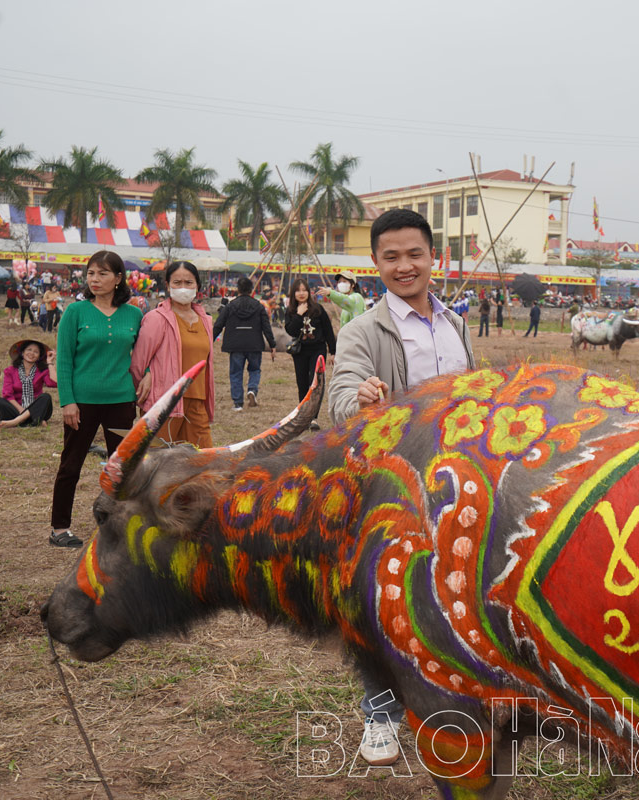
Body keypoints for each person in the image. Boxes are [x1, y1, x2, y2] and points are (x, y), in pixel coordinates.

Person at [329, 208, 475, 766]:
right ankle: (382, 714)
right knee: (386, 601)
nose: (404, 265)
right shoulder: (362, 330)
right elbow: (343, 392)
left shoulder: (455, 324)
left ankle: (453, 702)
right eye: (390, 256)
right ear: (375, 263)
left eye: (414, 253)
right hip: (395, 488)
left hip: (458, 484)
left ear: (432, 257)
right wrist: (359, 401)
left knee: (452, 598)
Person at [50, 251, 142, 548]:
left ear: (118, 279)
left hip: (121, 401)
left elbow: (143, 355)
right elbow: (64, 361)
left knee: (123, 468)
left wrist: (150, 372)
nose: (95, 279)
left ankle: (121, 525)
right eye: (91, 273)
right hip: (82, 402)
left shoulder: (135, 314)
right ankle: (59, 528)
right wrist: (67, 401)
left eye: (103, 273)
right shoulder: (75, 312)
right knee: (70, 465)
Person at [130, 261, 216, 448]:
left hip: (197, 401)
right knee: (157, 460)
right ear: (168, 286)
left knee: (202, 461)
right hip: (164, 403)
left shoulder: (206, 321)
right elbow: (138, 363)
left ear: (197, 287)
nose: (183, 288)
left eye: (188, 282)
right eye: (177, 283)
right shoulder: (156, 319)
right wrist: (149, 375)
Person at [212, 276, 276, 411]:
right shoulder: (258, 306)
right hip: (254, 344)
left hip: (235, 344)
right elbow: (266, 327)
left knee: (236, 373)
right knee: (254, 369)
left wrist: (209, 341)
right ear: (251, 290)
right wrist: (272, 344)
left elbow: (218, 325)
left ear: (238, 289)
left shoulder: (230, 306)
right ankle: (252, 389)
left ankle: (238, 403)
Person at [284, 278, 337, 413]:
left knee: (315, 383)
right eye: (298, 291)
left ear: (308, 292)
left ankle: (313, 416)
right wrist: (299, 314)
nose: (301, 293)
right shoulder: (291, 311)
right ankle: (303, 413)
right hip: (300, 351)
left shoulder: (318, 309)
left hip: (317, 350)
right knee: (302, 383)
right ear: (293, 293)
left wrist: (333, 351)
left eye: (304, 290)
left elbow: (328, 330)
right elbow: (291, 330)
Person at [0, 339, 57, 427]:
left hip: (38, 409)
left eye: (36, 352)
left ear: (39, 356)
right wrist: (22, 411)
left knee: (46, 397)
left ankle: (16, 421)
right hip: (16, 408)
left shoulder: (42, 371)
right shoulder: (10, 371)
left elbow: (54, 383)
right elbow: (8, 395)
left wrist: (49, 362)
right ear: (22, 352)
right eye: (29, 350)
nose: (32, 353)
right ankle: (33, 421)